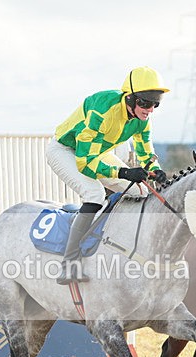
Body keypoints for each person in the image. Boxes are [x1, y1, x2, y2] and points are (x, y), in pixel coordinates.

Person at [46, 66, 169, 285]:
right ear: (130, 98)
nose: (149, 109)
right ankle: (69, 264)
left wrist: (155, 169)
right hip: (65, 151)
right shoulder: (102, 109)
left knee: (141, 191)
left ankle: (117, 244)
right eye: (145, 103)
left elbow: (145, 151)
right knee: (94, 194)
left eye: (155, 104)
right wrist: (124, 172)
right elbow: (85, 162)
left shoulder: (142, 119)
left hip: (98, 153)